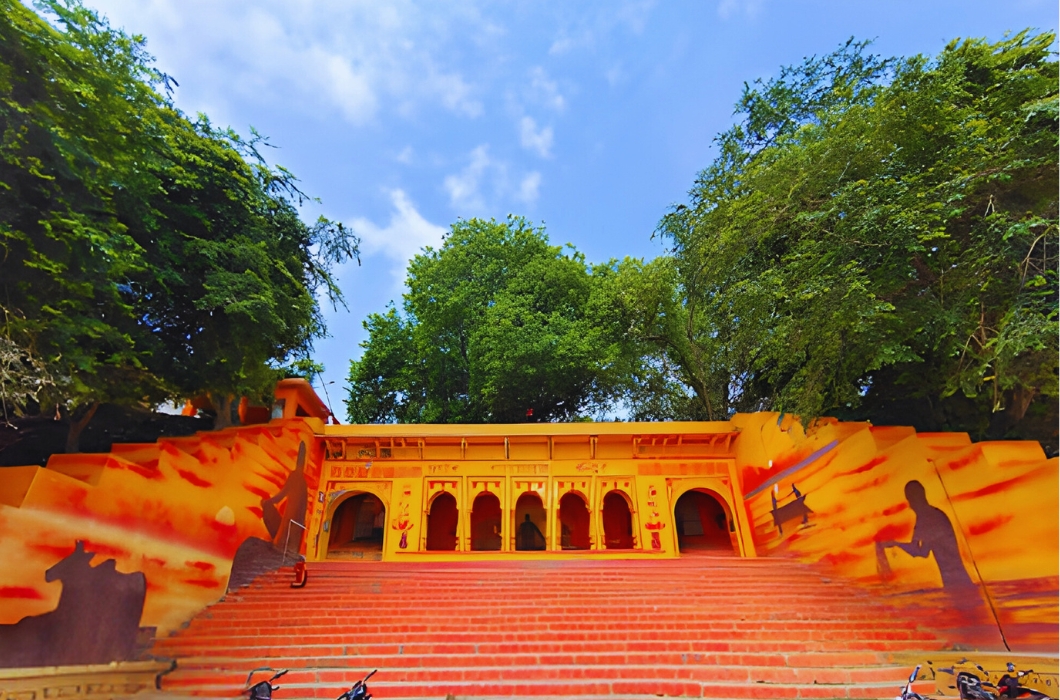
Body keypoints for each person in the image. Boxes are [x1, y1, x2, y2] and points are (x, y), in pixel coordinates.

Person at [879, 480, 975, 590]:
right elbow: (923, 550)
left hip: (955, 581)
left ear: (915, 499)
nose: (910, 506)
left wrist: (895, 543)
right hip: (956, 579)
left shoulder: (926, 517)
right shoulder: (933, 514)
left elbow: (919, 551)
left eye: (910, 500)